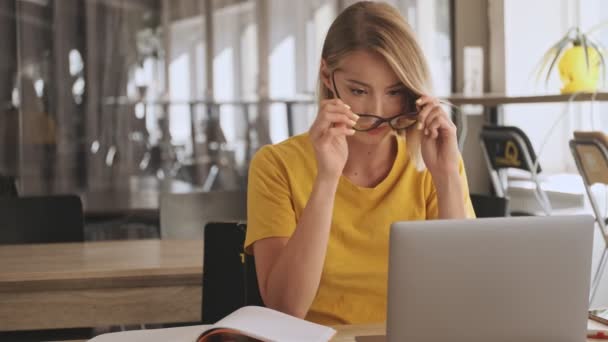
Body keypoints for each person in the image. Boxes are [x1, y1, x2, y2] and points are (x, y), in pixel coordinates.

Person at [244, 1, 475, 325]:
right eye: (359, 90)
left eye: (394, 92)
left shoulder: (432, 162)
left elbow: (462, 296)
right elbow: (284, 309)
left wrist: (448, 175)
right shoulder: (276, 165)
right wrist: (326, 178)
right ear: (327, 76)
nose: (378, 110)